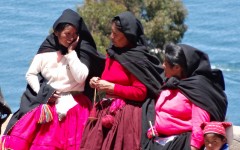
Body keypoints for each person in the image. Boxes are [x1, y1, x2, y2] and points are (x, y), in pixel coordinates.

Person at [0, 8, 105, 150]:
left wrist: (71, 53)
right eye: (67, 34)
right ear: (56, 32)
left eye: (75, 34)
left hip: (77, 107)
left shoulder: (82, 50)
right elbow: (32, 74)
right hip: (51, 106)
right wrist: (45, 92)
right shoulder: (47, 50)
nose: (71, 38)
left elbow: (81, 76)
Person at [80, 11, 164, 150]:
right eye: (111, 32)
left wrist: (111, 87)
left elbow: (140, 92)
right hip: (106, 111)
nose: (111, 37)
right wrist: (97, 81)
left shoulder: (137, 59)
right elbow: (110, 77)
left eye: (116, 34)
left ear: (128, 36)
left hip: (126, 117)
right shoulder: (112, 52)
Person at [145, 43, 228, 150]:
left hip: (180, 144)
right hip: (160, 141)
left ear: (177, 67)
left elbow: (200, 123)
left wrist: (193, 147)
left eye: (166, 63)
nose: (163, 65)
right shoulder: (170, 83)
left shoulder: (197, 90)